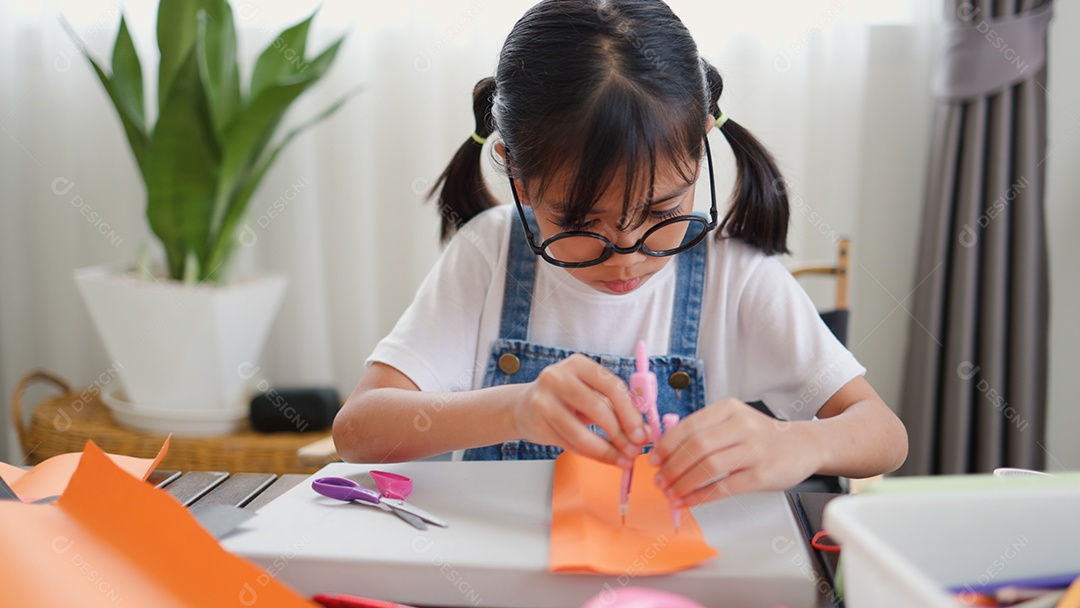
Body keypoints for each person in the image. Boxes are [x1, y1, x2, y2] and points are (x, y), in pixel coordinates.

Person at [334, 0, 907, 507]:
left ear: (701, 148)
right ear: (519, 174)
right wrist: (515, 408)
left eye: (660, 214)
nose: (627, 256)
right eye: (582, 222)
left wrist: (797, 441)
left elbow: (884, 435)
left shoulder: (737, 276)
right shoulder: (491, 253)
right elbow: (358, 431)